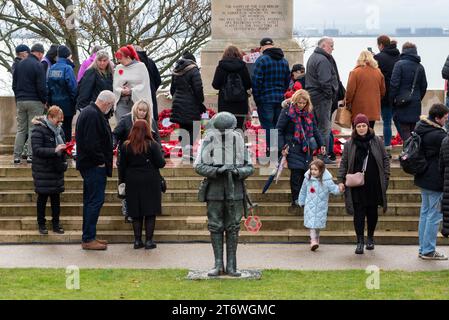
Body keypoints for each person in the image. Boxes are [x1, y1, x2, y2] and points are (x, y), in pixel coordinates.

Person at [195, 112, 254, 277]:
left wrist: (236, 171)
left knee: (233, 228)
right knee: (215, 227)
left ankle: (232, 266)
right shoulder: (209, 141)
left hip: (235, 191)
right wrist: (217, 170)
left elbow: (249, 167)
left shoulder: (239, 142)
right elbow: (199, 166)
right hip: (215, 191)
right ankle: (218, 264)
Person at [337, 114, 390, 255]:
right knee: (358, 214)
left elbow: (385, 160)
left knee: (372, 213)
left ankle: (370, 238)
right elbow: (344, 163)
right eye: (358, 126)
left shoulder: (377, 141)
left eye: (364, 126)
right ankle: (360, 241)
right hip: (356, 185)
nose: (361, 128)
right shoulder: (350, 143)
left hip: (374, 183)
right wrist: (340, 180)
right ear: (355, 127)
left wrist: (385, 177)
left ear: (368, 126)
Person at [75, 90, 115, 250]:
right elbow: (91, 142)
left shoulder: (90, 112)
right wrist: (100, 161)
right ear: (106, 103)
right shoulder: (92, 114)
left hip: (90, 164)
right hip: (93, 165)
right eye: (111, 106)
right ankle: (88, 238)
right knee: (95, 201)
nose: (111, 109)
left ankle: (89, 236)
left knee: (90, 201)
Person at [119, 120, 166, 249]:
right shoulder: (152, 145)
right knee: (150, 211)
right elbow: (161, 163)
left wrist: (121, 183)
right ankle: (149, 241)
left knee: (135, 212)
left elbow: (122, 166)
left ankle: (137, 241)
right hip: (150, 180)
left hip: (132, 180)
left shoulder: (125, 146)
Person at [113, 99, 161, 223]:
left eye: (144, 111)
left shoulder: (151, 121)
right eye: (140, 110)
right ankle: (127, 211)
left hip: (147, 161)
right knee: (124, 185)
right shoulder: (126, 119)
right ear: (135, 109)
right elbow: (116, 134)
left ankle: (146, 210)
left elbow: (157, 139)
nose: (142, 113)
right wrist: (114, 145)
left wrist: (158, 152)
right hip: (127, 156)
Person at [276, 90, 324, 206]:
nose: (301, 105)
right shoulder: (287, 112)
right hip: (292, 146)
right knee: (296, 173)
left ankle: (303, 197)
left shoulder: (308, 113)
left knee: (305, 173)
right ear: (295, 101)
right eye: (299, 103)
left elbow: (315, 129)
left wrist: (322, 144)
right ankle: (296, 199)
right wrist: (282, 146)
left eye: (304, 103)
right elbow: (278, 130)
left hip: (306, 148)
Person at [415, 104, 448, 260]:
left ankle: (423, 248)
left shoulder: (421, 127)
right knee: (434, 216)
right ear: (437, 118)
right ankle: (428, 250)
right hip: (435, 179)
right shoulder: (438, 135)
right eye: (445, 118)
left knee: (425, 214)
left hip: (423, 177)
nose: (446, 121)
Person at [31, 106, 67, 235]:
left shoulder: (59, 130)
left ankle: (56, 224)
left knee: (56, 199)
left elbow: (62, 148)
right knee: (42, 198)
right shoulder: (38, 130)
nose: (60, 122)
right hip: (43, 170)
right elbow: (37, 150)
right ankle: (41, 224)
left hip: (56, 169)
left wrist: (65, 151)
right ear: (50, 117)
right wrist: (55, 150)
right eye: (58, 120)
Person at [252, 38, 290, 155]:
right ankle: (278, 150)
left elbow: (256, 81)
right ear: (273, 45)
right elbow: (287, 80)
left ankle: (273, 151)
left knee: (268, 126)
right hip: (279, 98)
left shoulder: (262, 60)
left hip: (265, 98)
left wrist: (257, 97)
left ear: (262, 47)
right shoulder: (284, 61)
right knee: (278, 126)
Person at [12, 43, 47, 164]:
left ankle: (16, 156)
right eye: (42, 54)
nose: (42, 57)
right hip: (35, 101)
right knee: (33, 129)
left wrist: (18, 98)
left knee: (21, 129)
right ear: (39, 53)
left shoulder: (19, 64)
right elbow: (41, 86)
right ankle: (30, 155)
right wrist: (44, 100)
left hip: (21, 100)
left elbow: (14, 84)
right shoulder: (38, 65)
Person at [305, 38, 339, 164]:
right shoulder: (323, 59)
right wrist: (330, 95)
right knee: (324, 128)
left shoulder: (313, 57)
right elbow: (325, 81)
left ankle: (313, 154)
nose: (333, 48)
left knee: (316, 128)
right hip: (322, 97)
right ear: (323, 46)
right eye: (331, 45)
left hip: (313, 96)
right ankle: (322, 155)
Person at [297, 159, 341, 251]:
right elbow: (303, 190)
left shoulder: (326, 181)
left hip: (321, 207)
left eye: (315, 169)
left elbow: (334, 189)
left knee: (317, 225)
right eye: (311, 169)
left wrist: (340, 189)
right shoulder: (307, 179)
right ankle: (313, 240)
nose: (312, 171)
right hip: (310, 206)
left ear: (321, 170)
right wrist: (301, 201)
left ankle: (316, 239)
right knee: (312, 224)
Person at [390, 42, 428, 142]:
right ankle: (412, 152)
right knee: (413, 130)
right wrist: (417, 97)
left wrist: (392, 100)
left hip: (401, 102)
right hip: (415, 103)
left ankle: (408, 152)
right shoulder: (420, 67)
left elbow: (394, 84)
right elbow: (424, 86)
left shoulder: (399, 65)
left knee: (404, 129)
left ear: (403, 51)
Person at [170, 51, 205, 157]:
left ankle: (185, 149)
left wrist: (177, 98)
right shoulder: (194, 70)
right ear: (193, 60)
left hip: (178, 103)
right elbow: (198, 88)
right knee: (193, 126)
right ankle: (188, 150)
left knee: (182, 126)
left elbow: (172, 89)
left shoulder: (176, 70)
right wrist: (200, 101)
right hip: (192, 103)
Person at [212, 45, 252, 130]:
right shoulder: (243, 66)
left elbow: (215, 85)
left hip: (225, 104)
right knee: (239, 129)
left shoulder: (221, 67)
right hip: (240, 104)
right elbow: (248, 84)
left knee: (226, 130)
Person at [374, 36, 401, 153]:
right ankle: (408, 142)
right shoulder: (399, 57)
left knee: (387, 121)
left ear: (380, 45)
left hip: (385, 94)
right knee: (399, 121)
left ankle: (387, 145)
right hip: (398, 94)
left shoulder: (378, 57)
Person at [345, 50, 386, 128]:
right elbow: (383, 91)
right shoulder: (378, 72)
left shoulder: (355, 72)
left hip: (358, 109)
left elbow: (350, 92)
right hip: (373, 108)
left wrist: (347, 103)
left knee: (357, 131)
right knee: (370, 130)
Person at [113, 45, 152, 122]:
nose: (119, 61)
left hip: (137, 103)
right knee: (122, 124)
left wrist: (131, 90)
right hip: (122, 102)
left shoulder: (141, 67)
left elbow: (144, 85)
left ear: (127, 56)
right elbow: (115, 85)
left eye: (121, 58)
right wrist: (121, 90)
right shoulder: (119, 68)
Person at [47, 45, 77, 141]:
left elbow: (48, 86)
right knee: (67, 127)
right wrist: (74, 101)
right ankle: (66, 148)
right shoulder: (67, 68)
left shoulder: (52, 68)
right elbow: (72, 87)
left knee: (55, 126)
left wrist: (49, 101)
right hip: (67, 103)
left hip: (55, 102)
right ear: (67, 56)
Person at [135, 45, 162, 121]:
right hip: (150, 91)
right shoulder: (151, 62)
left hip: (137, 93)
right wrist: (152, 89)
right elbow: (158, 80)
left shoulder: (133, 63)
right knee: (151, 117)